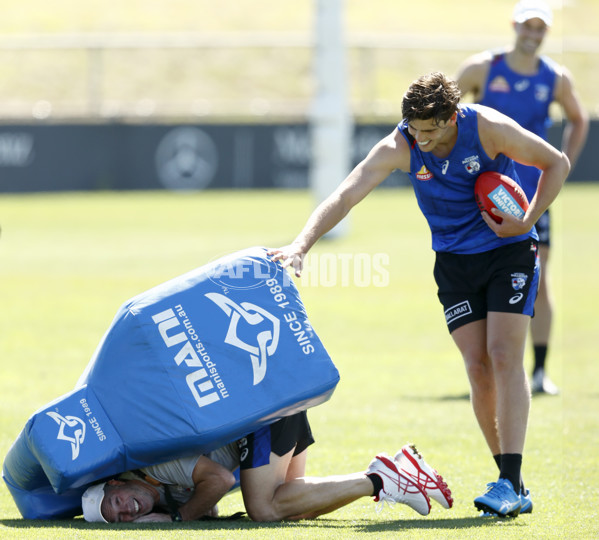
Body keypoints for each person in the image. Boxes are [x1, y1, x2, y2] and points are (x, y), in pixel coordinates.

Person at [268, 71, 570, 517]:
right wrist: (301, 245)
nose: (421, 139)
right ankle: (513, 482)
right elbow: (347, 193)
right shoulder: (401, 145)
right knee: (477, 366)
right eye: (414, 129)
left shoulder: (487, 127)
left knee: (504, 354)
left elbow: (557, 162)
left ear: (452, 117)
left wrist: (528, 219)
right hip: (453, 262)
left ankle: (507, 479)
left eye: (430, 130)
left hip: (507, 251)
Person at [455, 0, 589, 395]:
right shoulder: (483, 68)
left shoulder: (555, 77)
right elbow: (445, 110)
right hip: (480, 196)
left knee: (538, 280)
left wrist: (563, 165)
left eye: (540, 27)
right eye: (527, 25)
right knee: (477, 278)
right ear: (514, 25)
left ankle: (540, 372)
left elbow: (579, 119)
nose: (533, 33)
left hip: (530, 198)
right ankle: (488, 367)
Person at [81, 411, 453, 523]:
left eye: (116, 503)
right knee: (296, 511)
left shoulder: (156, 467)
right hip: (265, 427)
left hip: (261, 422)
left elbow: (220, 479)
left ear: (116, 483)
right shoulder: (155, 493)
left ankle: (379, 480)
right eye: (119, 519)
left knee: (264, 508)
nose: (127, 511)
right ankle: (397, 470)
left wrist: (180, 520)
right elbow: (209, 503)